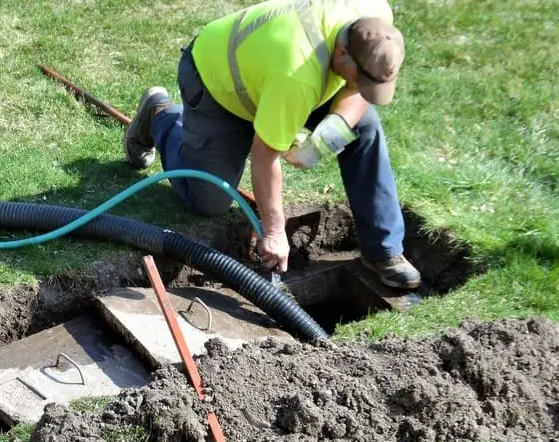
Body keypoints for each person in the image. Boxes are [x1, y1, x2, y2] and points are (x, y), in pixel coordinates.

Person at [122, 0, 421, 290]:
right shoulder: (295, 72)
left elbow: (358, 93)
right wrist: (275, 231)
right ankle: (161, 116)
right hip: (219, 83)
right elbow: (264, 156)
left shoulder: (376, 17)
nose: (367, 89)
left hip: (274, 75)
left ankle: (383, 249)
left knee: (364, 127)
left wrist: (324, 142)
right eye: (362, 79)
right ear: (342, 53)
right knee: (208, 201)